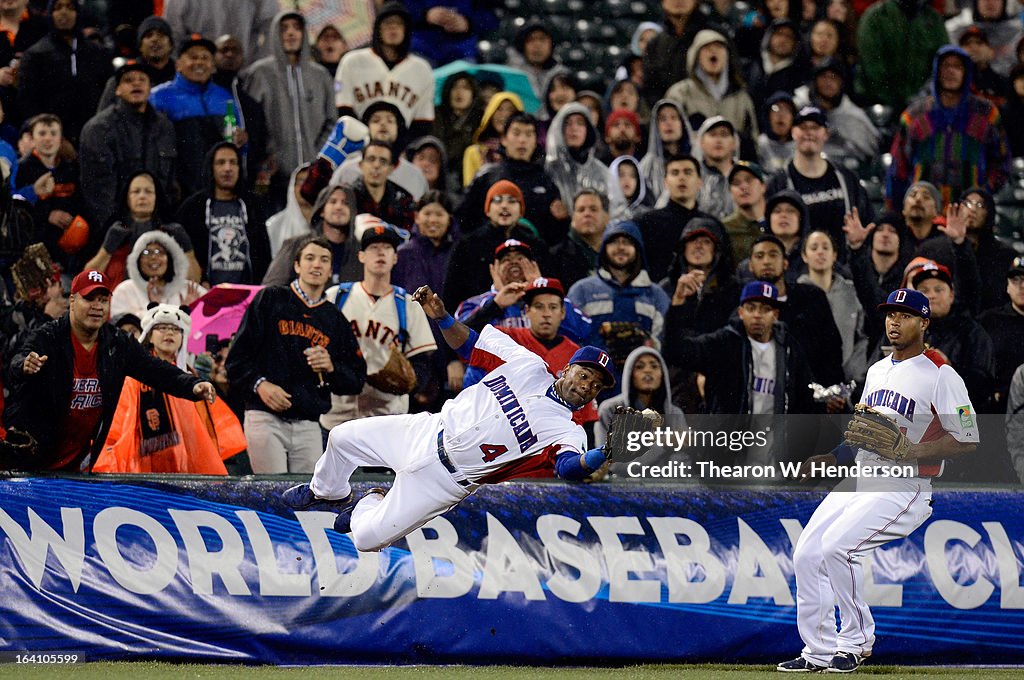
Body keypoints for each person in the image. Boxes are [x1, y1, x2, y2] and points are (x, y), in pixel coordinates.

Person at [281, 284, 617, 553]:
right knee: (341, 438)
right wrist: (441, 317)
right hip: (427, 430)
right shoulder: (526, 363)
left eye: (596, 384)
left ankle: (368, 503)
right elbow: (470, 344)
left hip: (445, 483)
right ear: (567, 367)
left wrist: (607, 451)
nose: (587, 385)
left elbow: (569, 468)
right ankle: (328, 491)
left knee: (365, 540)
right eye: (584, 373)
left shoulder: (568, 431)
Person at [780, 288, 977, 673]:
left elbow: (968, 440)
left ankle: (854, 643)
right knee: (806, 554)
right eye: (890, 314)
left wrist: (913, 452)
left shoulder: (940, 373)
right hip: (860, 478)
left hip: (905, 486)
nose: (894, 321)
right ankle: (817, 653)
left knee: (839, 547)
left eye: (904, 315)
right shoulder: (877, 370)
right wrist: (833, 457)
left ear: (924, 322)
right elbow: (863, 434)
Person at [4, 269, 217, 472]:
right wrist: (24, 366)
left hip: (79, 463)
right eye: (89, 298)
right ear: (72, 300)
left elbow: (155, 370)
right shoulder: (48, 337)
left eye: (103, 300)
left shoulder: (118, 343)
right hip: (33, 460)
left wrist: (193, 385)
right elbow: (17, 361)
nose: (97, 306)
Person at [225, 235, 367, 473]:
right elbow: (236, 360)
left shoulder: (334, 318)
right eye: (309, 258)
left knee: (307, 500)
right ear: (297, 265)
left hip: (309, 423)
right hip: (264, 416)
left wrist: (332, 367)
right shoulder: (270, 298)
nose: (317, 265)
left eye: (324, 260)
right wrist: (260, 385)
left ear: (331, 269)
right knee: (273, 496)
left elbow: (356, 379)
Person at [93, 303, 246, 474]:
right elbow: (118, 424)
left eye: (175, 329)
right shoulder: (132, 377)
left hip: (184, 460)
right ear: (149, 336)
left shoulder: (191, 376)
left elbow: (205, 429)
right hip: (140, 460)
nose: (169, 332)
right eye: (162, 327)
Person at [320, 223, 436, 427]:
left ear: (395, 258)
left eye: (387, 248)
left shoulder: (408, 304)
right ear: (361, 256)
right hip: (336, 414)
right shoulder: (336, 296)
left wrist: (407, 382)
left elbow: (421, 363)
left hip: (387, 418)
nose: (380, 252)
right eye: (373, 247)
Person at [887, 46, 1010, 209]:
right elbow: (898, 167)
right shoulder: (915, 116)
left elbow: (1002, 162)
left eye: (957, 66)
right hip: (923, 215)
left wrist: (983, 193)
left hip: (969, 215)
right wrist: (895, 209)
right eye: (946, 66)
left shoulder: (986, 114)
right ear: (936, 70)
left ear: (967, 72)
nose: (951, 71)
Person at [240, 11, 335, 206]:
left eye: (296, 28)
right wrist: (269, 156)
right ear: (275, 33)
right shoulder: (260, 73)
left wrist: (317, 157)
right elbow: (251, 123)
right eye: (284, 29)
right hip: (274, 178)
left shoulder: (320, 75)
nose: (291, 33)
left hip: (313, 176)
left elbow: (331, 121)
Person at [567, 220, 671, 392]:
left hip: (641, 389)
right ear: (603, 248)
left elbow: (666, 339)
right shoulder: (582, 290)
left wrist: (645, 347)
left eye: (628, 242)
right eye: (614, 242)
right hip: (591, 388)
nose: (621, 247)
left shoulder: (656, 294)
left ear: (638, 249)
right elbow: (570, 337)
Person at [80, 59, 177, 234]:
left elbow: (169, 184)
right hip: (116, 231)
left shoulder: (165, 127)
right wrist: (118, 233)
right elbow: (98, 192)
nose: (136, 83)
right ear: (117, 89)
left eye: (142, 79)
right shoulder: (99, 129)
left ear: (150, 87)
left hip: (158, 227)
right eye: (128, 80)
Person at [765, 105, 873, 260]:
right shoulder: (779, 182)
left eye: (815, 127)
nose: (809, 132)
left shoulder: (846, 177)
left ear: (826, 134)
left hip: (845, 269)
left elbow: (865, 218)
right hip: (797, 271)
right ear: (793, 132)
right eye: (803, 127)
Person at [455, 239, 590, 346]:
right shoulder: (474, 303)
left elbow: (583, 331)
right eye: (506, 260)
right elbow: (458, 337)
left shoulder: (551, 300)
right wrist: (495, 305)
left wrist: (542, 290)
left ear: (534, 266)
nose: (514, 262)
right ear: (493, 269)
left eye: (520, 258)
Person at [149, 33, 235, 199]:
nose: (199, 62)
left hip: (218, 189)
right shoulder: (159, 97)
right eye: (193, 57)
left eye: (205, 57)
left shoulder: (224, 97)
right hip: (177, 190)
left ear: (213, 64)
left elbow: (234, 140)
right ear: (178, 64)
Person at [457, 111, 564, 245]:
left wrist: (561, 220)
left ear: (536, 141)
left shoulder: (547, 180)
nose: (522, 140)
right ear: (504, 139)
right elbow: (464, 220)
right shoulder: (486, 176)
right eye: (516, 133)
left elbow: (555, 235)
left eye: (528, 134)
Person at [334, 2, 435, 142]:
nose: (393, 27)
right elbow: (343, 111)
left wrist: (400, 151)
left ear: (407, 30)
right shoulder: (352, 62)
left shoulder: (422, 69)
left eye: (399, 23)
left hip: (402, 152)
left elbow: (423, 122)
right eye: (387, 23)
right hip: (357, 147)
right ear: (377, 28)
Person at [17, 0, 113, 146]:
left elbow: (108, 97)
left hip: (96, 139)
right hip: (51, 143)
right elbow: (28, 104)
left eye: (70, 7)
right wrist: (57, 140)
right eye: (58, 7)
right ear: (50, 14)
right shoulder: (35, 56)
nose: (64, 12)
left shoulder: (98, 54)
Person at [175, 141, 272, 285]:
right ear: (211, 168)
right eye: (221, 162)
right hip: (204, 294)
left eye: (233, 162)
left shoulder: (254, 206)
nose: (228, 168)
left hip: (248, 296)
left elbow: (264, 255)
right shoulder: (192, 208)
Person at [443, 179, 547, 308]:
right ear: (487, 210)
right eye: (497, 200)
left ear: (521, 210)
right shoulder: (468, 245)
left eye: (512, 200)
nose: (504, 205)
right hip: (480, 319)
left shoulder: (536, 245)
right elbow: (452, 294)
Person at [664, 30, 759, 149]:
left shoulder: (741, 97)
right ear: (695, 56)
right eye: (706, 48)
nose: (713, 51)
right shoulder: (680, 93)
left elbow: (753, 140)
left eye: (719, 47)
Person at [798, 230, 867, 386]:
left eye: (825, 247)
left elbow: (861, 336)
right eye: (814, 248)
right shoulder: (796, 293)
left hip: (848, 380)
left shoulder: (851, 291)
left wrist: (854, 375)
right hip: (808, 380)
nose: (820, 252)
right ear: (804, 256)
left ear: (834, 255)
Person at [854, 0, 948, 108]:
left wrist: (923, 96)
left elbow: (943, 60)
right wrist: (895, 102)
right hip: (879, 104)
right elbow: (872, 67)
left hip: (921, 105)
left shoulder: (933, 19)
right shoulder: (877, 16)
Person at [637, 153, 713, 283]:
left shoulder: (712, 224)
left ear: (700, 182)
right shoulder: (647, 222)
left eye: (688, 172)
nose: (681, 178)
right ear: (665, 182)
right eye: (675, 173)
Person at [109, 230, 205, 319]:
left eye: (159, 252)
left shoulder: (190, 290)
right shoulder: (125, 290)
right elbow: (121, 327)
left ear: (170, 258)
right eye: (146, 253)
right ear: (137, 260)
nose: (154, 257)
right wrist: (154, 309)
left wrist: (193, 310)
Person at [980, 257, 1024, 413]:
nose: (1022, 286)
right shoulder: (989, 321)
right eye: (1016, 280)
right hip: (997, 410)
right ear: (1007, 286)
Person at [551, 188, 612, 290]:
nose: (587, 214)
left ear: (607, 217)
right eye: (581, 210)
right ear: (573, 217)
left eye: (593, 209)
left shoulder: (619, 253)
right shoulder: (556, 256)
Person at [639, 100, 693, 206]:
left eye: (674, 118)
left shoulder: (697, 159)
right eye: (663, 119)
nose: (668, 123)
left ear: (682, 124)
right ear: (656, 126)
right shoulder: (647, 165)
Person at [722, 161, 767, 266]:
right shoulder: (725, 228)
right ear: (730, 192)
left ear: (763, 186)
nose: (743, 187)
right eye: (736, 183)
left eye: (749, 180)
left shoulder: (776, 222)